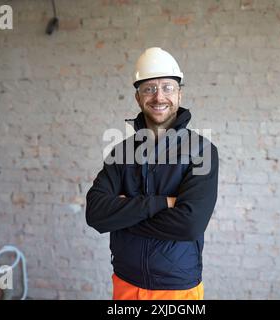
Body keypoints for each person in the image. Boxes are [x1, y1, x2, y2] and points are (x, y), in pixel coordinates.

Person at [86, 47, 219, 300]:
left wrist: (123, 216)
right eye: (149, 89)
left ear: (179, 94)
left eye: (167, 87)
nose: (159, 97)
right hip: (125, 282)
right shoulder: (121, 152)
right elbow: (95, 213)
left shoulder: (202, 151)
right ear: (138, 98)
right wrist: (163, 204)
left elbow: (190, 225)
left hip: (177, 288)